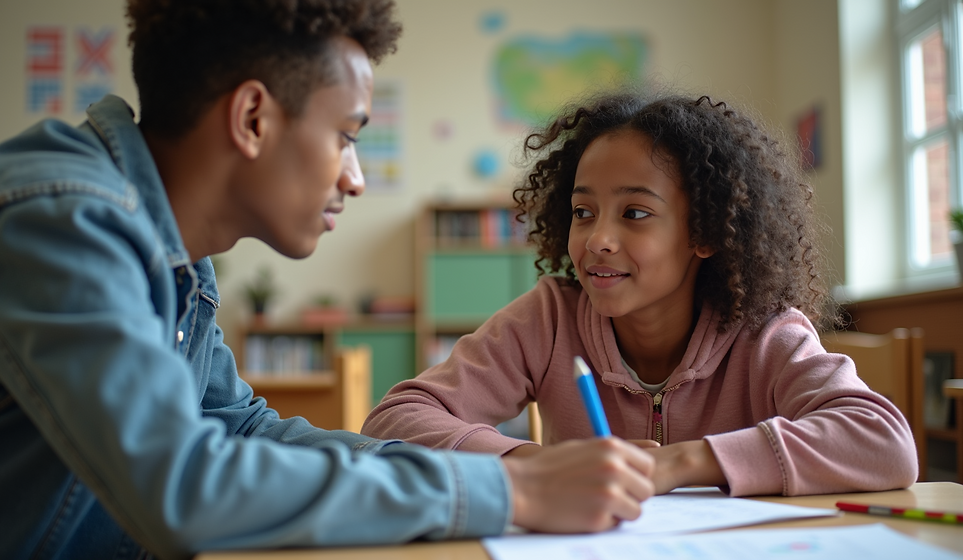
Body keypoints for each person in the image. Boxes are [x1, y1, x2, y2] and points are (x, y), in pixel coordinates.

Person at [0, 2, 658, 559]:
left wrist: (504, 472)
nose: (355, 178)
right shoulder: (63, 222)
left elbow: (239, 428)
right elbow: (182, 485)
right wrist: (517, 497)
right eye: (346, 134)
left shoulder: (175, 254)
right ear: (253, 119)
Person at [361, 91, 919, 497]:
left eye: (635, 213)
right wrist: (535, 464)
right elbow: (396, 417)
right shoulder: (550, 318)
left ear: (703, 231)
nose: (598, 239)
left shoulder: (765, 331)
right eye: (583, 213)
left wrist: (681, 464)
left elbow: (884, 442)